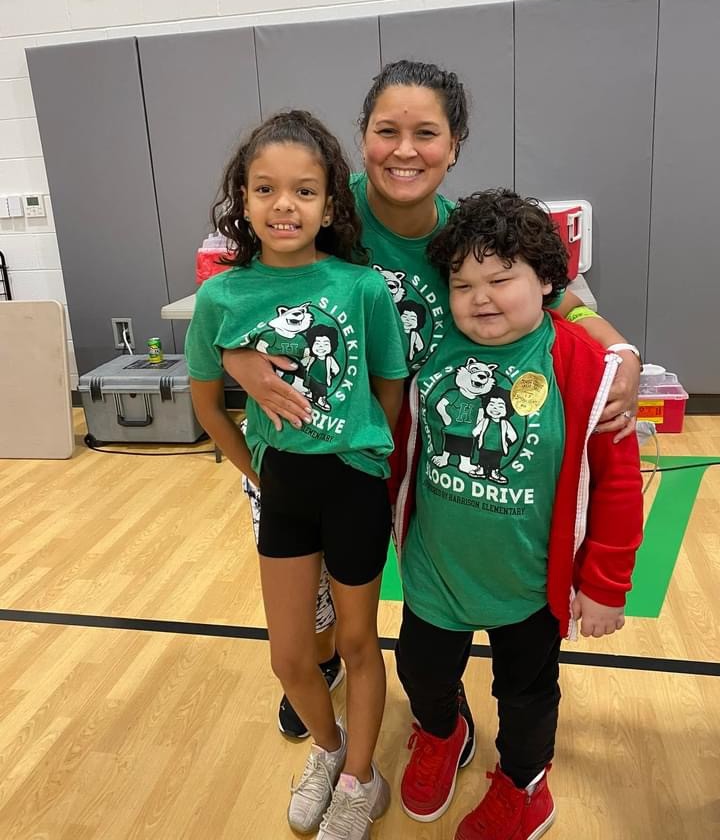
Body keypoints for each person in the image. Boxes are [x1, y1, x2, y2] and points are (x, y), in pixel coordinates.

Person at [223, 60, 643, 744]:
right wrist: (235, 353)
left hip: (404, 448)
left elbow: (559, 298)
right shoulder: (325, 209)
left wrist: (620, 352)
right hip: (300, 439)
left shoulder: (462, 238)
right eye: (388, 130)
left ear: (454, 146)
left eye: (427, 133)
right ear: (363, 139)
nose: (406, 149)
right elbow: (233, 279)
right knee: (312, 594)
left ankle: (432, 704)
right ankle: (319, 666)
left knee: (388, 590)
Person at [390, 189, 644, 840]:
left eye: (501, 278)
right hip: (433, 574)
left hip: (529, 588)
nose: (481, 296)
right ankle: (442, 733)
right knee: (421, 672)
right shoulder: (432, 348)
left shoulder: (584, 366)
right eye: (463, 282)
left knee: (527, 699)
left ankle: (525, 785)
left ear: (548, 281)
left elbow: (616, 485)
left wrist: (605, 585)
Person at [185, 111, 407, 838]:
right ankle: (329, 750)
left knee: (355, 643)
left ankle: (360, 778)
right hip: (284, 490)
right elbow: (208, 404)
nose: (285, 205)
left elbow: (387, 388)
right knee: (289, 657)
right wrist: (259, 471)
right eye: (267, 189)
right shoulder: (222, 297)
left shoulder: (361, 286)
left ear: (329, 205)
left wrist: (358, 443)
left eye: (305, 191)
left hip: (350, 486)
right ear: (242, 201)